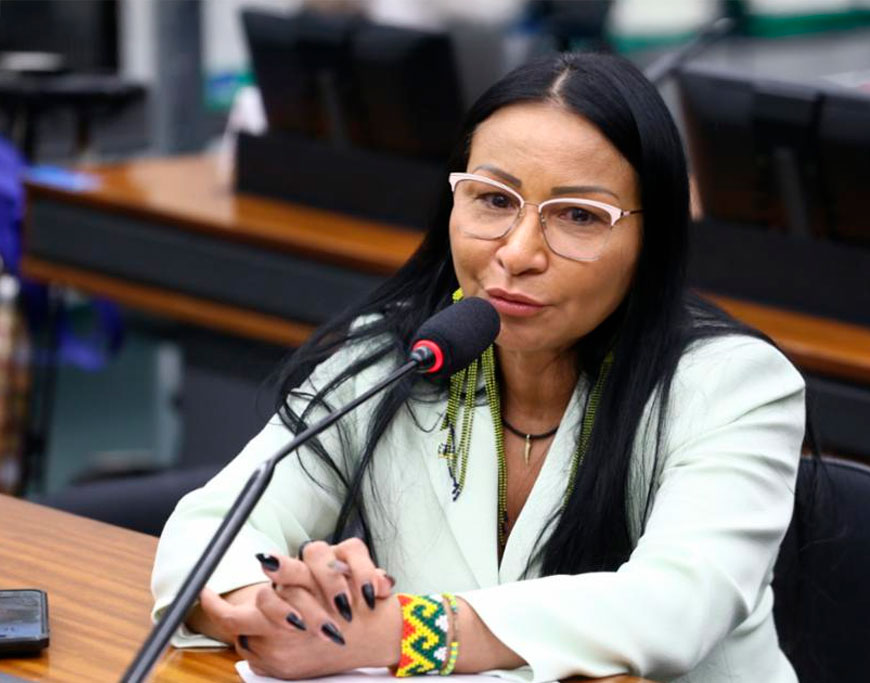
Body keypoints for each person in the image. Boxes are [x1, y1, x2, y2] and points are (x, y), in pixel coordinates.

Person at [151, 51, 806, 682]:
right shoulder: (398, 355)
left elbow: (674, 607)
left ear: (651, 239)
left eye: (579, 216)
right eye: (493, 199)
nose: (518, 253)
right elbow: (213, 525)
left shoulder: (734, 385)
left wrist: (404, 631)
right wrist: (270, 609)